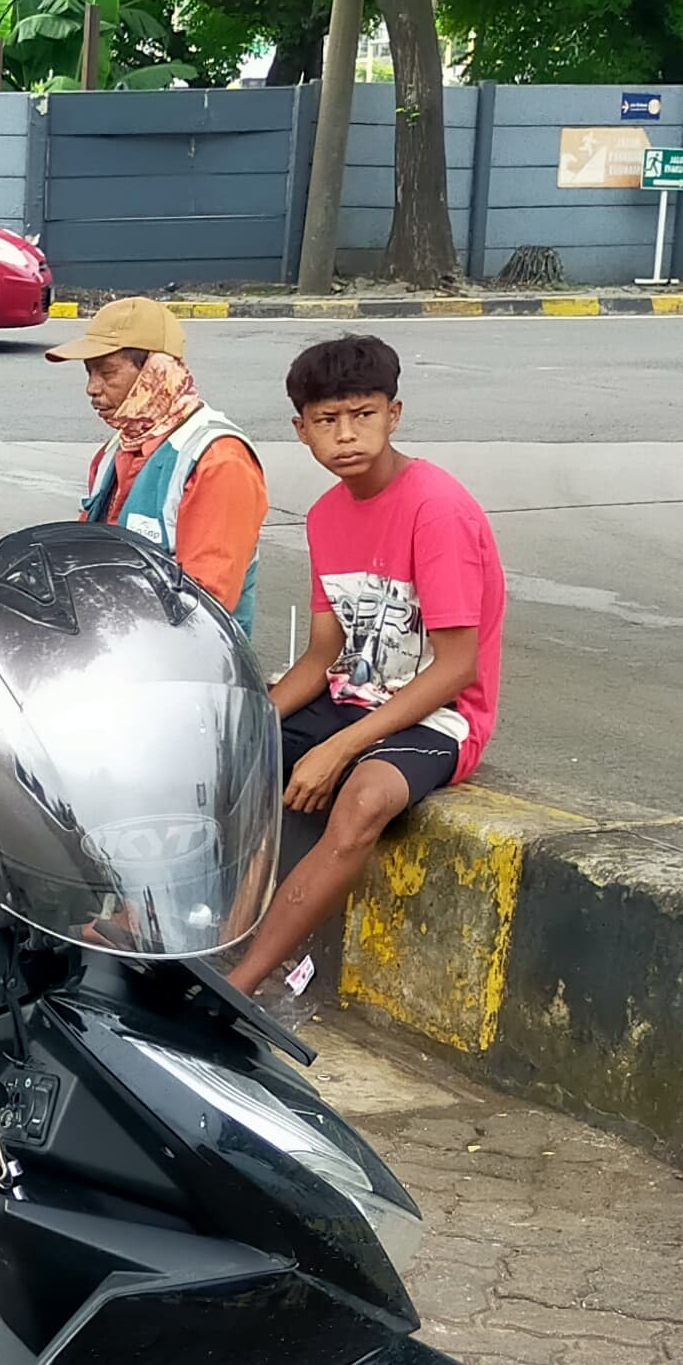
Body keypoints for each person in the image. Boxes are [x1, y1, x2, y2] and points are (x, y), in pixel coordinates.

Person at [225, 332, 507, 1002]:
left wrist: (338, 749)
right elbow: (324, 654)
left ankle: (239, 981)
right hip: (353, 695)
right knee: (221, 756)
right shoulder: (326, 516)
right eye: (327, 420)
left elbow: (457, 667)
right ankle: (183, 934)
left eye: (363, 414)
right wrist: (251, 723)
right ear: (301, 430)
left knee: (363, 800)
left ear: (394, 414)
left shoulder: (435, 509)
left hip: (437, 714)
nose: (346, 435)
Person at [53, 296, 266, 613]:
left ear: (155, 373)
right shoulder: (115, 449)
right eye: (89, 373)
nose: (92, 388)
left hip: (181, 642)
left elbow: (205, 603)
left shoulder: (219, 460)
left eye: (107, 373)